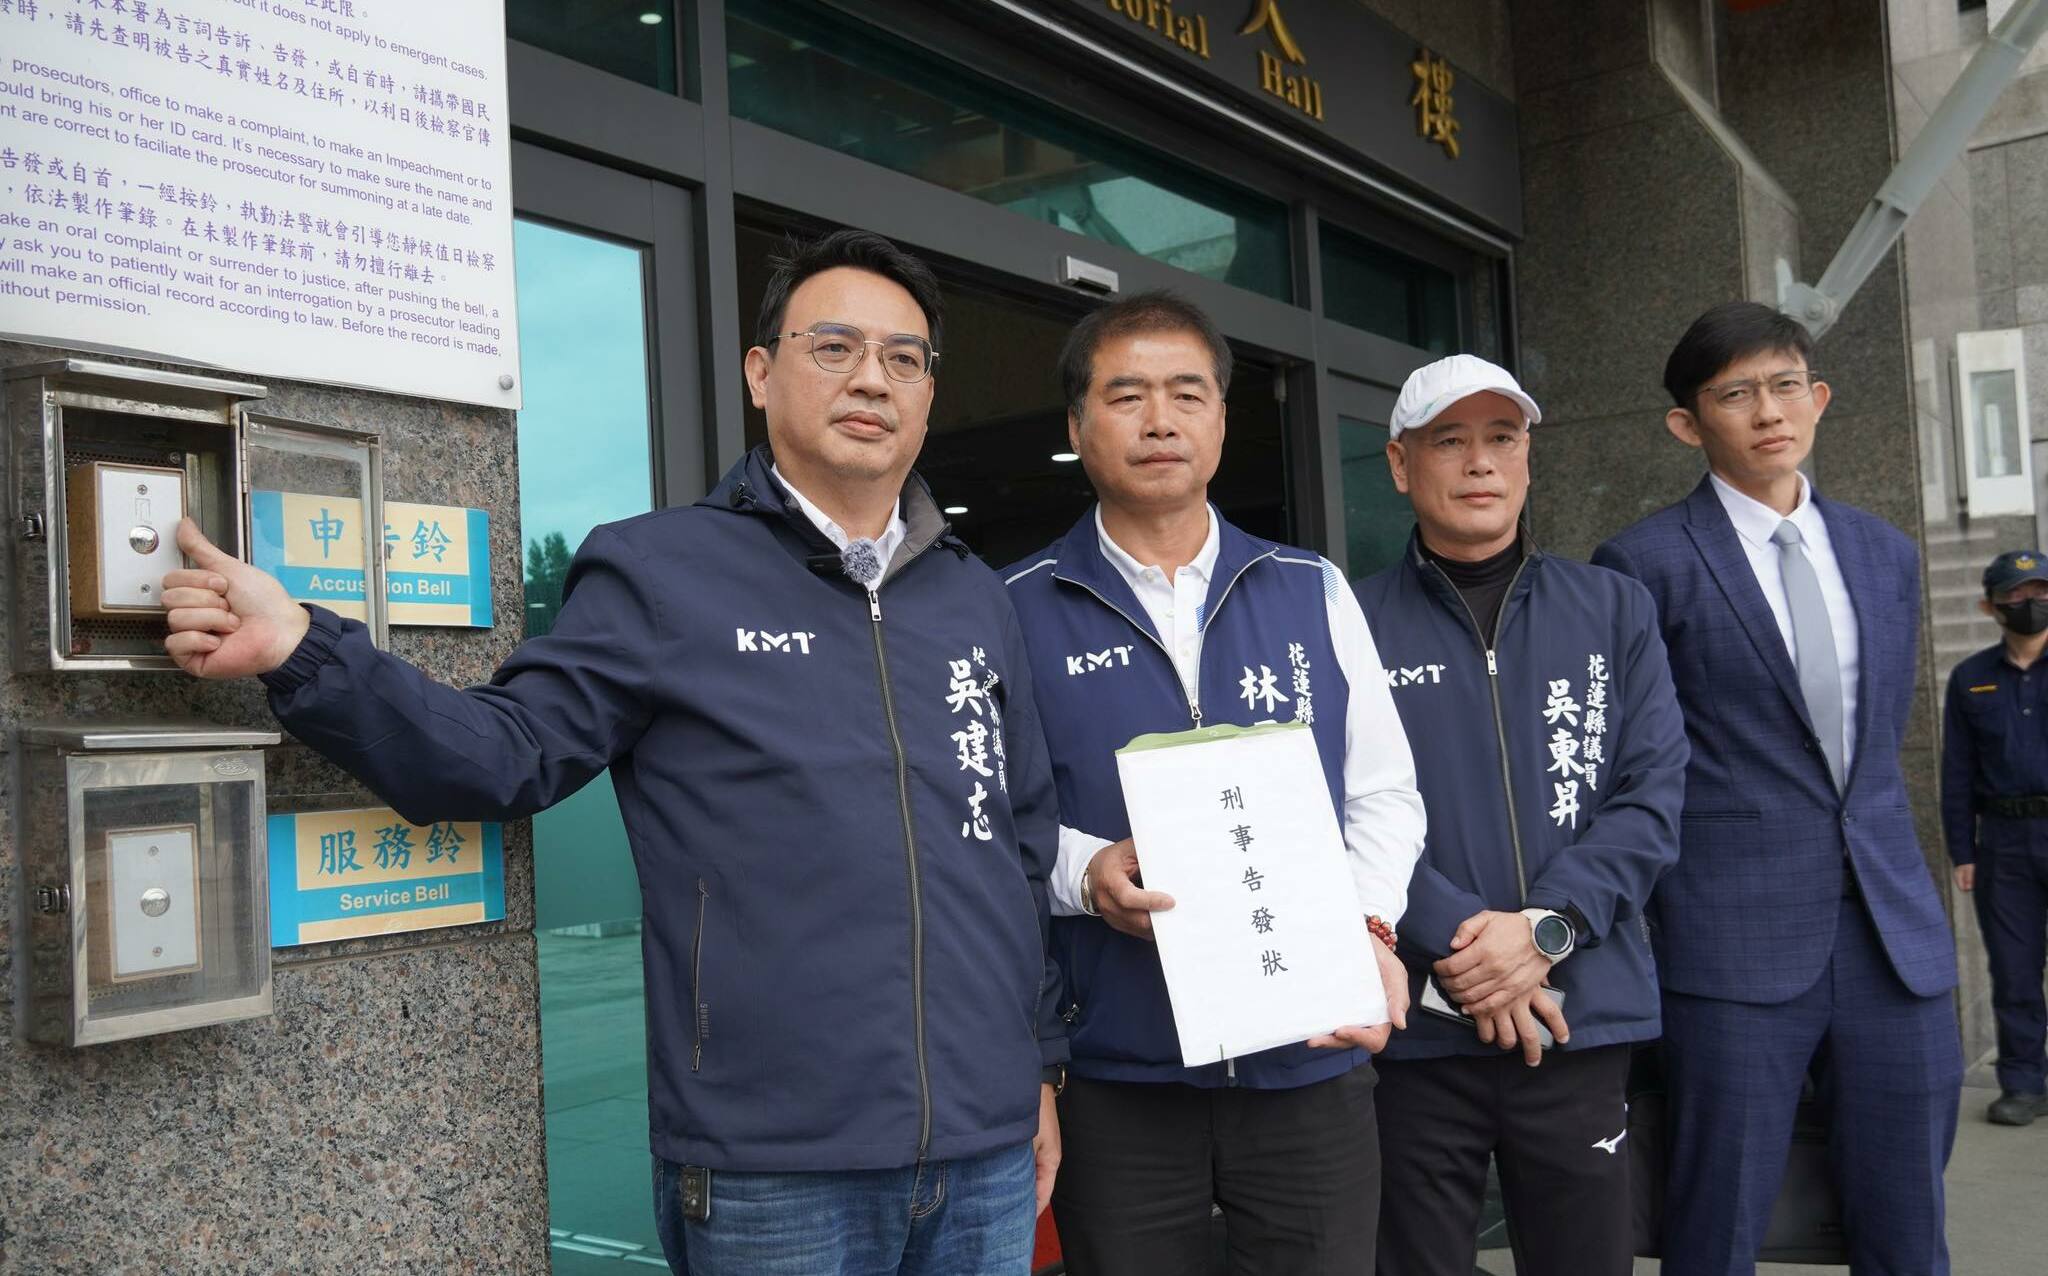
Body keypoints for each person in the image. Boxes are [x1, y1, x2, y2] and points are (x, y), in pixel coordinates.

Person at [159, 229, 1067, 1276]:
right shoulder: (662, 571)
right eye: (834, 346)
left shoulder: (972, 596)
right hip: (775, 1163)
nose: (871, 378)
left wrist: (1038, 1065)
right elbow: (502, 753)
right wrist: (302, 649)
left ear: (927, 394)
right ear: (760, 373)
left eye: (903, 358)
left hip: (987, 1150)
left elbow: (1019, 848)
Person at [1002, 291, 1424, 1274]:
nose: (1159, 420)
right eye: (1127, 396)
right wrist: (1085, 872)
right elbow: (990, 821)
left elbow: (1382, 791)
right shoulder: (1011, 609)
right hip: (1118, 1071)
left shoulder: (1309, 585)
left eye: (1186, 394)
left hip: (1308, 1055)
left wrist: (1366, 926)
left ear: (1222, 421)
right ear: (1077, 426)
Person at [1594, 301, 1962, 1275]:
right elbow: (1633, 763)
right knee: (1715, 1226)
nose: (1768, 411)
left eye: (1785, 385)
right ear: (1686, 424)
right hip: (1730, 943)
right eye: (1736, 394)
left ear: (1819, 397)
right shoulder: (1642, 565)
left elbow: (1874, 751)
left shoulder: (1884, 554)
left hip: (1892, 936)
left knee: (1908, 1223)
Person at [1352, 353, 1687, 1276]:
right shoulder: (1347, 620)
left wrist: (1545, 929)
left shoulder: (1612, 607)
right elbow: (1339, 811)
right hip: (1418, 1025)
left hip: (1581, 1017)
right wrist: (1472, 948)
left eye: (1502, 438)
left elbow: (1652, 795)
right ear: (1399, 464)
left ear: (1528, 456)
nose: (1480, 463)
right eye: (1448, 442)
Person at [1941, 548, 2048, 1127]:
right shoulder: (1971, 678)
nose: (2030, 602)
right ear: (1990, 605)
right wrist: (1963, 850)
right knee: (2013, 968)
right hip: (2003, 842)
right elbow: (1956, 771)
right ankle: (2024, 1084)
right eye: (2016, 594)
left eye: (2041, 591)